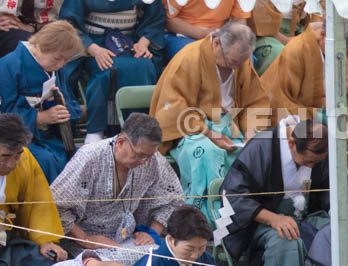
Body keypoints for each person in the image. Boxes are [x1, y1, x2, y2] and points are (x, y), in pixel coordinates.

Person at [222, 116, 331, 266]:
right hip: (256, 222)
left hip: (305, 215)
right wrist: (273, 218)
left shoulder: (318, 154)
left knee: (335, 234)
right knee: (286, 240)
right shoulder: (261, 148)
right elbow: (233, 195)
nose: (312, 167)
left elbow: (328, 192)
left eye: (315, 163)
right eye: (307, 161)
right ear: (291, 143)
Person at [148, 20, 265, 222]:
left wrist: (252, 130)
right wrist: (209, 133)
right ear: (217, 42)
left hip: (231, 126)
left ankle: (245, 217)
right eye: (231, 62)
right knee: (210, 153)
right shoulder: (189, 58)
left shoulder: (241, 61)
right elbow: (174, 108)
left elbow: (256, 101)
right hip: (191, 130)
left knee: (257, 151)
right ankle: (207, 220)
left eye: (239, 63)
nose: (235, 67)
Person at [51, 114, 181, 257]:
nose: (144, 161)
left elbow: (173, 197)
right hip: (82, 241)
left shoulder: (152, 159)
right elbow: (56, 204)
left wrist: (151, 233)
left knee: (166, 257)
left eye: (149, 156)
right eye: (139, 155)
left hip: (129, 237)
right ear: (120, 141)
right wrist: (84, 238)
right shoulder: (90, 157)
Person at [59, 0, 162, 147]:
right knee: (107, 68)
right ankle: (96, 130)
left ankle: (140, 129)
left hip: (129, 42)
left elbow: (155, 18)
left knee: (145, 65)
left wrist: (143, 43)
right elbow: (69, 23)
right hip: (94, 44)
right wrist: (93, 49)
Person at [261, 15, 348, 129]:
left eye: (347, 51)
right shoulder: (296, 51)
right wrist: (318, 118)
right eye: (340, 50)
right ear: (322, 34)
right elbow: (281, 100)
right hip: (304, 121)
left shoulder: (345, 51)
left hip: (341, 117)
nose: (342, 56)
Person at [0, 19, 80, 180]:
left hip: (51, 137)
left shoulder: (56, 69)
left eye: (66, 60)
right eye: (57, 58)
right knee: (45, 160)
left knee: (80, 157)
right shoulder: (8, 65)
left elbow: (73, 108)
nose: (61, 64)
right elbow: (5, 112)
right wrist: (40, 117)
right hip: (20, 139)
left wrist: (62, 107)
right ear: (42, 46)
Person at [0, 113, 68, 266]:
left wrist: (46, 241)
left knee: (44, 265)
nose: (12, 163)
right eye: (5, 156)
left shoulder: (25, 159)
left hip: (7, 242)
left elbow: (38, 204)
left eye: (17, 155)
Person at [165, 0, 247, 57]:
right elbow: (169, 20)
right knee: (198, 57)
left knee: (244, 57)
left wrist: (230, 38)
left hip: (219, 35)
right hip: (181, 35)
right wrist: (201, 34)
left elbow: (239, 20)